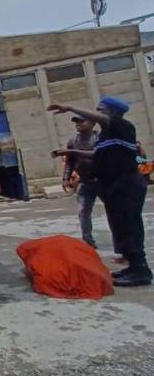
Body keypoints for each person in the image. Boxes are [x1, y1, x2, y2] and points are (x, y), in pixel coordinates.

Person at [49, 97, 153, 286]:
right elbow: (97, 154)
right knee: (120, 225)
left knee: (130, 225)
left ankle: (141, 270)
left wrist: (70, 105)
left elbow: (104, 120)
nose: (97, 114)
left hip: (126, 183)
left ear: (112, 113)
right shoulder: (107, 135)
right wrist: (71, 153)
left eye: (101, 110)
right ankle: (132, 265)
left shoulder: (123, 126)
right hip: (113, 184)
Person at [61, 116, 99, 248]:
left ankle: (123, 241)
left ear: (93, 123)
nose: (77, 124)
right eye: (76, 122)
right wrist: (66, 178)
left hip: (104, 180)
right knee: (83, 211)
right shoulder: (73, 141)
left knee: (114, 210)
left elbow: (99, 154)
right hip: (85, 180)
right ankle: (88, 241)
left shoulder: (100, 138)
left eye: (81, 121)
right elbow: (69, 162)